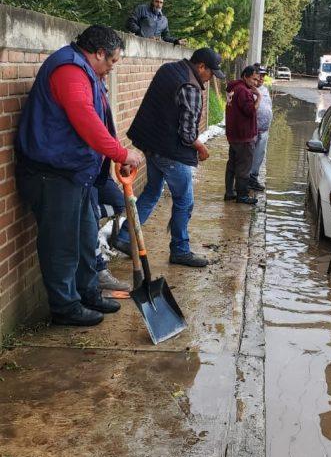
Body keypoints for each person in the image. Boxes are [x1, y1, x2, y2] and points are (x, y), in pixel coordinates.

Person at [16, 25, 143, 327]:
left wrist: (112, 155)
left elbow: (99, 122)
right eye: (112, 61)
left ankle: (88, 292)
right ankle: (65, 307)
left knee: (86, 237)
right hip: (54, 174)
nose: (113, 67)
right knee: (60, 243)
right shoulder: (69, 70)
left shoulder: (88, 72)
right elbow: (85, 119)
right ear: (99, 53)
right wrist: (121, 153)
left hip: (78, 173)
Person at [112, 47, 225, 267]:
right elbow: (188, 135)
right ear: (201, 66)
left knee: (153, 192)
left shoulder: (169, 69)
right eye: (211, 73)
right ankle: (180, 250)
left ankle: (125, 237)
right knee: (184, 201)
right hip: (171, 153)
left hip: (151, 145)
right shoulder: (190, 87)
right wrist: (201, 148)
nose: (211, 78)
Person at [224, 65, 261, 205]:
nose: (255, 83)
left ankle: (229, 192)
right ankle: (242, 196)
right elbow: (251, 110)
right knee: (244, 167)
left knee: (232, 165)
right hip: (244, 136)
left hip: (233, 134)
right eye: (253, 79)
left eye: (257, 80)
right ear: (245, 76)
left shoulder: (233, 88)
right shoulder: (243, 91)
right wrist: (259, 97)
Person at [92, 176, 130, 292]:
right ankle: (100, 271)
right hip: (82, 171)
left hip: (99, 170)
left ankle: (90, 212)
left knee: (120, 204)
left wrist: (124, 159)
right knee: (89, 224)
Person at [249, 64, 273, 192]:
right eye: (259, 75)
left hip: (263, 130)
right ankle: (245, 181)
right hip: (252, 130)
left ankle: (253, 178)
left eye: (263, 75)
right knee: (248, 156)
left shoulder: (264, 89)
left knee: (259, 156)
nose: (262, 78)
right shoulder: (248, 89)